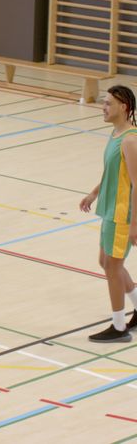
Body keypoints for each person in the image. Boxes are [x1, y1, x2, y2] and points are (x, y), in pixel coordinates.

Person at [80, 85, 137, 342]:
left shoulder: (130, 141)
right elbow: (111, 172)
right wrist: (94, 193)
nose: (103, 107)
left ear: (123, 107)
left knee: (113, 267)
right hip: (109, 209)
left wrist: (134, 224)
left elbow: (136, 184)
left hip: (122, 215)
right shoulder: (115, 134)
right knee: (106, 262)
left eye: (108, 103)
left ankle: (119, 327)